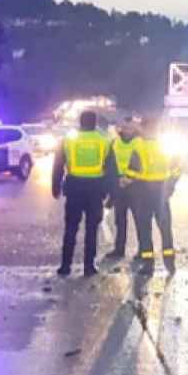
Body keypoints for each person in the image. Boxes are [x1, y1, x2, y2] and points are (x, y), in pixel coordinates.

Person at [52, 110, 117, 277]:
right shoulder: (104, 141)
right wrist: (112, 194)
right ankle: (89, 266)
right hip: (95, 189)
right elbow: (111, 170)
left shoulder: (68, 140)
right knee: (91, 229)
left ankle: (65, 266)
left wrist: (56, 187)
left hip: (74, 187)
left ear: (80, 122)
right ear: (95, 122)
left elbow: (58, 165)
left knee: (71, 228)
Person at [117, 115, 179, 275]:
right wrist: (171, 186)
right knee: (165, 229)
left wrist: (124, 181)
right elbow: (177, 168)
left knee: (145, 230)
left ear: (144, 129)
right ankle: (170, 263)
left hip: (144, 193)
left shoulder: (139, 147)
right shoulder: (167, 146)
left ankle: (148, 264)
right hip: (161, 192)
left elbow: (132, 171)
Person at [107, 116, 142, 260]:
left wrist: (131, 179)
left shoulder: (140, 143)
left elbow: (143, 163)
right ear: (121, 127)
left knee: (139, 220)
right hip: (119, 186)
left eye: (130, 127)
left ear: (135, 128)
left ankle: (143, 249)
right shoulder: (114, 143)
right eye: (125, 127)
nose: (128, 130)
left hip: (136, 186)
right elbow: (110, 164)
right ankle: (119, 249)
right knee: (119, 220)